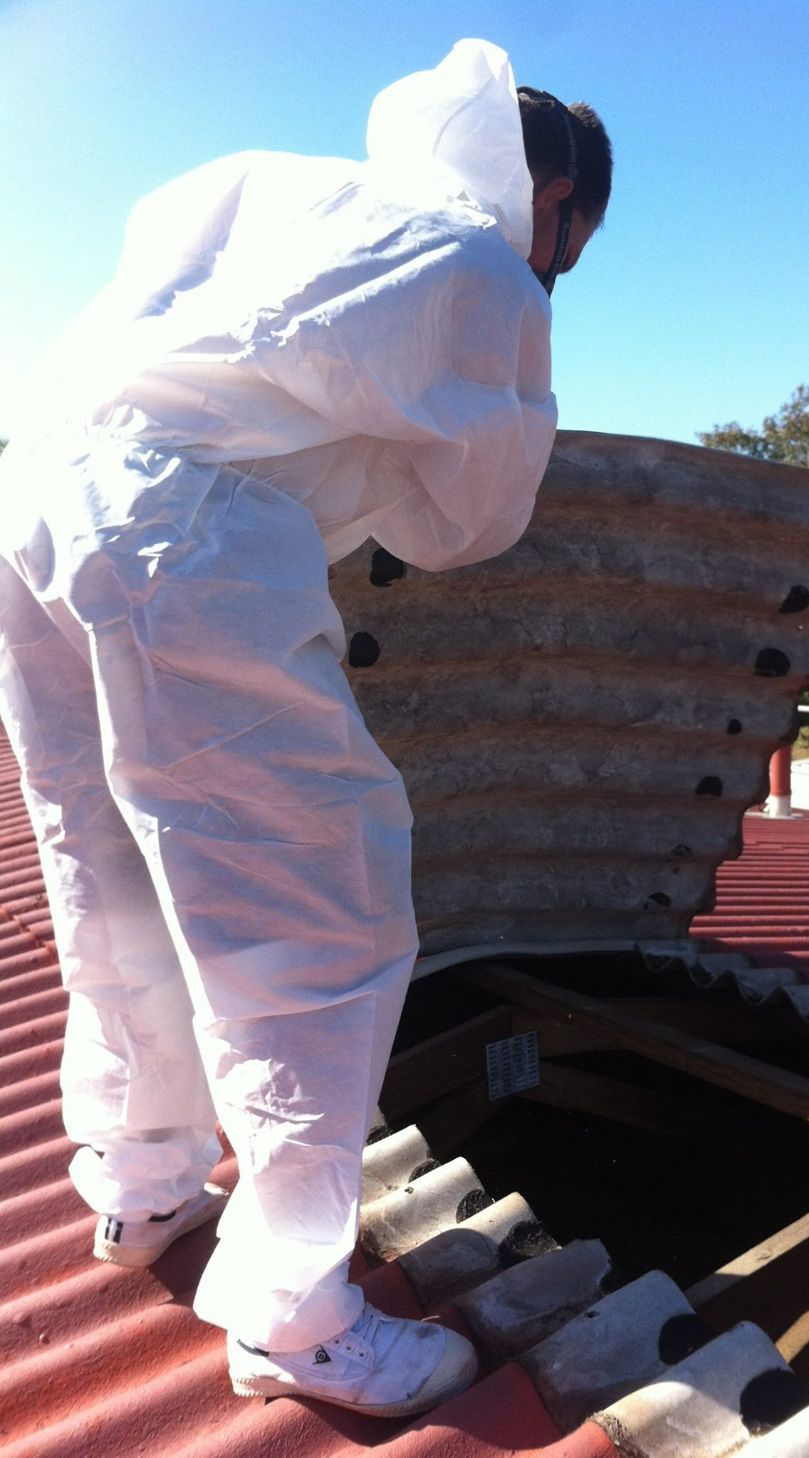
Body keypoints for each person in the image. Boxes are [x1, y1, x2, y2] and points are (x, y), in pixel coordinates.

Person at [0, 39, 611, 1418]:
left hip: (31, 493)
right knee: (314, 910)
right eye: (573, 233)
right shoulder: (476, 266)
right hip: (182, 527)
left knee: (105, 861)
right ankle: (289, 1309)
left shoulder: (271, 185)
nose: (562, 259)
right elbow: (467, 522)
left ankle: (143, 1176)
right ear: (553, 193)